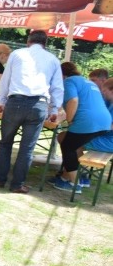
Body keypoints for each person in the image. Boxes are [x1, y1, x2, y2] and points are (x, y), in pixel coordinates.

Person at [0, 30, 64, 194]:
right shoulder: (53, 60)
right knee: (27, 148)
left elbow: (6, 80)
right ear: (45, 43)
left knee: (5, 143)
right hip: (38, 104)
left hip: (15, 102)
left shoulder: (17, 54)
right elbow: (57, 88)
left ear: (28, 41)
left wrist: (0, 101)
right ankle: (17, 184)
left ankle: (0, 178)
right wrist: (54, 109)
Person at [48, 62, 112, 193]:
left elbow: (73, 101)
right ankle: (67, 177)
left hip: (99, 132)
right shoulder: (85, 83)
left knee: (69, 145)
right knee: (66, 139)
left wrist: (70, 120)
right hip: (103, 127)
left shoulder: (69, 82)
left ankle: (75, 182)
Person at [84, 78, 113, 154]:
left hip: (109, 142)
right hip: (106, 138)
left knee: (75, 140)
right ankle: (75, 165)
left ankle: (74, 165)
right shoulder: (110, 103)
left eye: (104, 91)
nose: (103, 93)